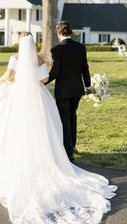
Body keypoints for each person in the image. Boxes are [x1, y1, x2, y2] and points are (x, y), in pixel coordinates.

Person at [0, 32, 117, 224]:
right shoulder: (38, 59)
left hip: (18, 98)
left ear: (20, 43)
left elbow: (8, 75)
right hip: (38, 97)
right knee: (42, 128)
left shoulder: (14, 58)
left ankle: (19, 158)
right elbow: (44, 79)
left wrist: (2, 82)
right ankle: (45, 157)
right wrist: (33, 80)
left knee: (14, 130)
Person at [46, 20, 94, 161]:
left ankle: (68, 152)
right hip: (77, 89)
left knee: (64, 119)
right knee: (72, 116)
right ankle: (72, 146)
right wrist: (88, 85)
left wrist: (44, 81)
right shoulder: (80, 47)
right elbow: (85, 68)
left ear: (59, 32)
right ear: (70, 32)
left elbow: (56, 71)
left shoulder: (57, 50)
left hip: (63, 91)